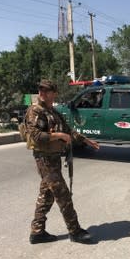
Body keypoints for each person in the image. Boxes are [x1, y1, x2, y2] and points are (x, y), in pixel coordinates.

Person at [25, 79, 100, 244]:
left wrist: (86, 140)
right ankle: (75, 231)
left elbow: (68, 131)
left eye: (46, 90)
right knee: (62, 194)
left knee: (47, 196)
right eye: (40, 90)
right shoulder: (35, 111)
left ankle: (37, 232)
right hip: (44, 159)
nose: (42, 93)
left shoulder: (53, 111)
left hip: (53, 158)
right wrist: (59, 136)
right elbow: (36, 136)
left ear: (54, 93)